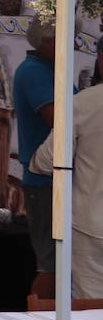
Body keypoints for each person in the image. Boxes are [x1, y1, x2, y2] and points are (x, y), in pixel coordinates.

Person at [31, 69, 103, 297]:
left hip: (91, 223)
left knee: (91, 307)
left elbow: (45, 160)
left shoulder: (84, 102)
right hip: (90, 223)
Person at [14, 17, 59, 283]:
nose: (73, 45)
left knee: (57, 263)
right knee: (50, 264)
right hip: (44, 181)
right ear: (46, 42)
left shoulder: (50, 69)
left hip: (55, 179)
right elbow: (59, 121)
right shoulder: (33, 72)